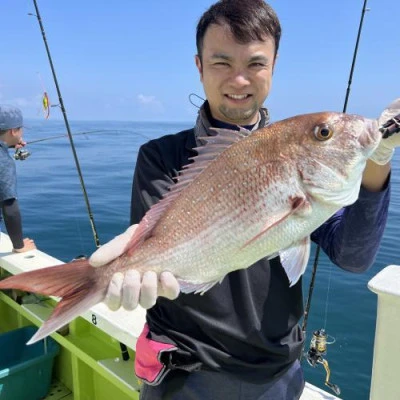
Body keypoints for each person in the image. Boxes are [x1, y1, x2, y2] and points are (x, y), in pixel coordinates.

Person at [90, 1, 399, 398]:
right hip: (183, 374)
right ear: (199, 66)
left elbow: (354, 256)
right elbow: (161, 258)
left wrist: (378, 159)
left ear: (273, 67)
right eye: (221, 63)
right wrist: (128, 271)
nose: (239, 80)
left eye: (255, 64)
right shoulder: (160, 157)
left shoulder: (298, 161)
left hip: (277, 376)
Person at [0, 105, 36, 253]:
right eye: (20, 128)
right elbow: (10, 207)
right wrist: (19, 246)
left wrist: (7, 144)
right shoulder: (4, 163)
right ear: (13, 131)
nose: (22, 131)